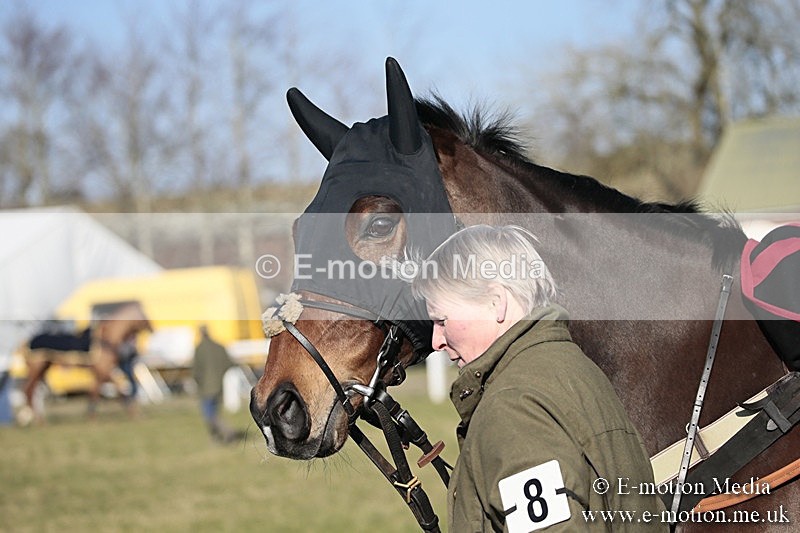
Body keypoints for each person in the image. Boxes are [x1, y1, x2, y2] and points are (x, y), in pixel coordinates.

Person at [412, 225, 666, 532]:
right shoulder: (574, 368)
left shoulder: (512, 406)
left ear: (496, 303)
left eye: (442, 320)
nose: (436, 341)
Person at [192, 325, 241, 444]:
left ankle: (227, 432)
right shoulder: (219, 347)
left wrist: (198, 381)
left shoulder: (199, 348)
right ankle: (216, 438)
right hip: (219, 386)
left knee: (210, 416)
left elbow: (196, 370)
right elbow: (229, 363)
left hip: (206, 388)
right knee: (214, 413)